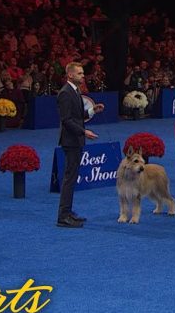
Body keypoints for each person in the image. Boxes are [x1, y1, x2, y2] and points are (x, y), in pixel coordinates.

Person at [56, 62, 105, 228]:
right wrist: (84, 132)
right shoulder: (65, 93)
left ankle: (68, 212)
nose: (83, 76)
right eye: (80, 73)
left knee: (72, 177)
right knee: (69, 178)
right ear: (70, 75)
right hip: (70, 141)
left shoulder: (75, 91)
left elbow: (78, 115)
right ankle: (63, 216)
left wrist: (92, 111)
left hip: (75, 140)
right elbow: (66, 120)